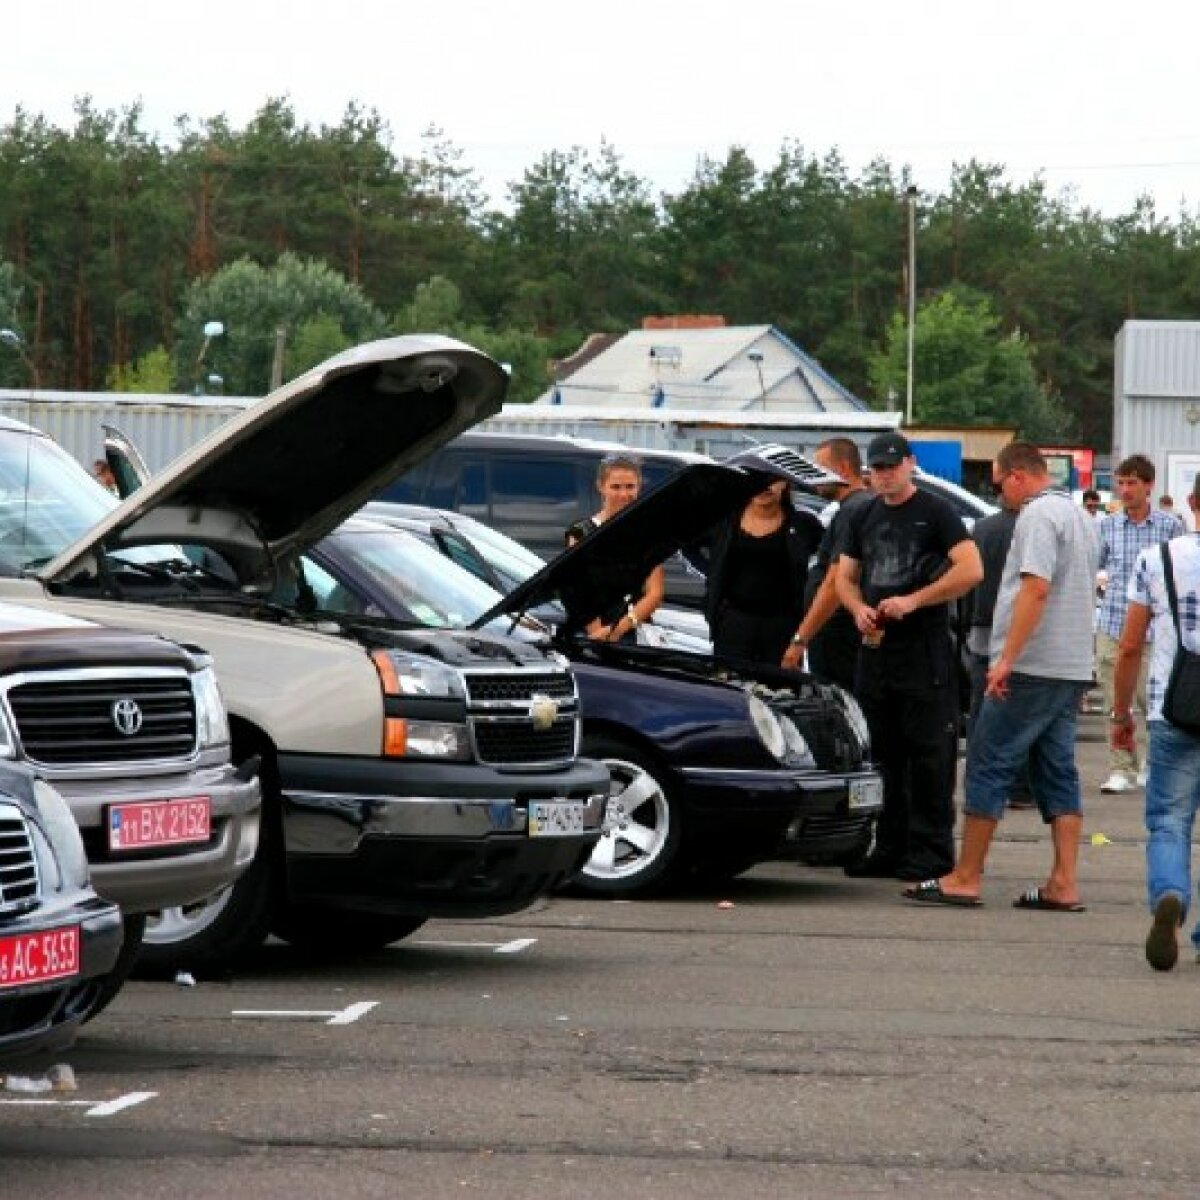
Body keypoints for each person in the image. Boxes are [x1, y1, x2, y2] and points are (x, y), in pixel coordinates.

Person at [905, 442, 1099, 910]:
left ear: (1017, 476)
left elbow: (1035, 587)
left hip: (1031, 665)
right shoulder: (1081, 518)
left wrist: (1006, 657)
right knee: (1057, 771)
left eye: (997, 484)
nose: (998, 496)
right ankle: (1063, 881)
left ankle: (966, 876)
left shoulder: (1036, 517)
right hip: (1069, 663)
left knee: (989, 760)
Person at [836, 431, 983, 881]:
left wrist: (915, 600)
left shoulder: (936, 512)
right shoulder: (863, 514)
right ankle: (889, 845)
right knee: (883, 754)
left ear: (910, 464)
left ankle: (932, 851)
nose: (884, 476)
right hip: (877, 652)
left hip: (924, 649)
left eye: (891, 466)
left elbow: (971, 570)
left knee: (929, 755)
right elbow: (844, 576)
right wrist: (858, 607)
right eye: (877, 468)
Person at [1112, 476, 1200, 970]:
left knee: (1169, 820)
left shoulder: (1158, 559)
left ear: (1191, 503)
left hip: (1175, 705)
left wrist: (1121, 714)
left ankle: (1170, 893)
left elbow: (1129, 646)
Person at [1096, 455, 1185, 793]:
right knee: (1114, 698)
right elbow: (1097, 566)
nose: (1125, 489)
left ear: (1148, 485)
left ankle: (1150, 763)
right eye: (1121, 483)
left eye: (1132, 482)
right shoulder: (1106, 526)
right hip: (1113, 621)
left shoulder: (1169, 526)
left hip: (1154, 627)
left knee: (1153, 699)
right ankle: (1121, 765)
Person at [699, 476, 823, 664]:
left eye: (773, 480)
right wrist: (711, 572)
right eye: (758, 479)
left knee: (779, 688)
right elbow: (688, 544)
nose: (765, 486)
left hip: (782, 625)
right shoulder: (726, 520)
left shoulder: (803, 523)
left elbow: (830, 560)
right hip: (733, 621)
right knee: (730, 684)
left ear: (785, 483)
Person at [783, 437, 872, 686]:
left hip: (838, 634)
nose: (814, 477)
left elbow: (835, 581)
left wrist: (801, 638)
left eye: (819, 468)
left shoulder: (853, 511)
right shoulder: (853, 507)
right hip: (837, 633)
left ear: (842, 468)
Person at [965, 490, 1035, 809]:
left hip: (982, 625)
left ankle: (977, 780)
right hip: (1020, 627)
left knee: (982, 705)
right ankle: (1020, 786)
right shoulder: (1032, 530)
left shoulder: (981, 529)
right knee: (1021, 708)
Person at [565, 453, 664, 642]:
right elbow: (578, 591)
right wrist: (597, 632)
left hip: (634, 629)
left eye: (630, 487)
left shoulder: (649, 533)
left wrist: (618, 629)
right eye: (616, 487)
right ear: (601, 487)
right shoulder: (581, 532)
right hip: (591, 631)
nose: (624, 494)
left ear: (639, 486)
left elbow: (655, 592)